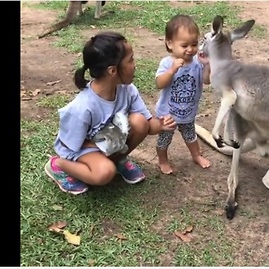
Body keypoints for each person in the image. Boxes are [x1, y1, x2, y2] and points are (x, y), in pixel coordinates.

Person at [45, 31, 177, 195]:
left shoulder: (127, 90)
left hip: (110, 140)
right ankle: (58, 165)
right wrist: (104, 146)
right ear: (112, 70)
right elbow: (70, 145)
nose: (135, 64)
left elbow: (148, 126)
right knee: (104, 173)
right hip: (81, 148)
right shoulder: (82, 107)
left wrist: (161, 125)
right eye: (131, 60)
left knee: (139, 122)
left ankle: (117, 160)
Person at [155, 14, 212, 175]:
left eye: (194, 44)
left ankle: (196, 156)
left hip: (188, 112)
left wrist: (207, 66)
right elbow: (159, 83)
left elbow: (206, 81)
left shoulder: (197, 63)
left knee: (191, 136)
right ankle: (163, 161)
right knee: (164, 140)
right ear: (170, 43)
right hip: (168, 115)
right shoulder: (167, 63)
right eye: (184, 45)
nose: (190, 49)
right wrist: (172, 70)